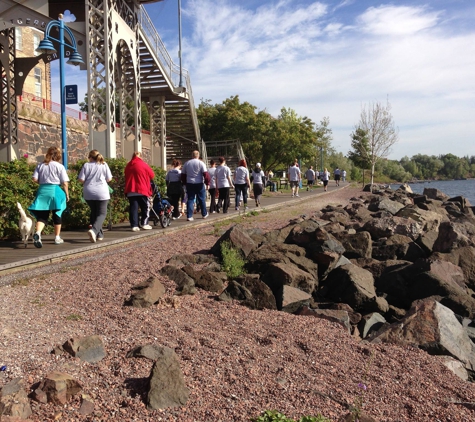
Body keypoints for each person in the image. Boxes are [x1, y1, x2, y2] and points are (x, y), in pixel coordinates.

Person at [28, 146, 69, 248]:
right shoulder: (59, 166)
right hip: (55, 190)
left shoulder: (40, 165)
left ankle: (38, 233)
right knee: (57, 214)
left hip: (42, 190)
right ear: (58, 155)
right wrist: (67, 194)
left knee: (42, 216)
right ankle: (57, 237)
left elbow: (34, 178)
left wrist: (42, 183)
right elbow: (64, 183)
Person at [78, 149, 113, 243]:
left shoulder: (86, 165)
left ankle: (99, 234)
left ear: (90, 157)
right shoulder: (103, 164)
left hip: (88, 192)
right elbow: (109, 179)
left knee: (94, 212)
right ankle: (94, 231)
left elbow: (81, 179)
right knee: (102, 213)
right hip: (102, 192)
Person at [124, 151, 155, 232]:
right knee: (145, 207)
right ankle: (145, 223)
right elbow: (152, 175)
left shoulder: (128, 165)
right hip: (142, 189)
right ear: (140, 157)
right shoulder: (144, 165)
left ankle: (134, 225)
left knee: (133, 208)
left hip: (131, 190)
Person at [181, 150, 210, 221]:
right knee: (201, 199)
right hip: (199, 183)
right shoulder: (201, 163)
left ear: (192, 155)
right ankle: (204, 214)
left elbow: (183, 175)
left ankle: (189, 216)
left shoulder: (187, 163)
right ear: (198, 155)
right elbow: (205, 174)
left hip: (190, 183)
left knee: (190, 199)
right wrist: (207, 183)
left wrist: (184, 183)